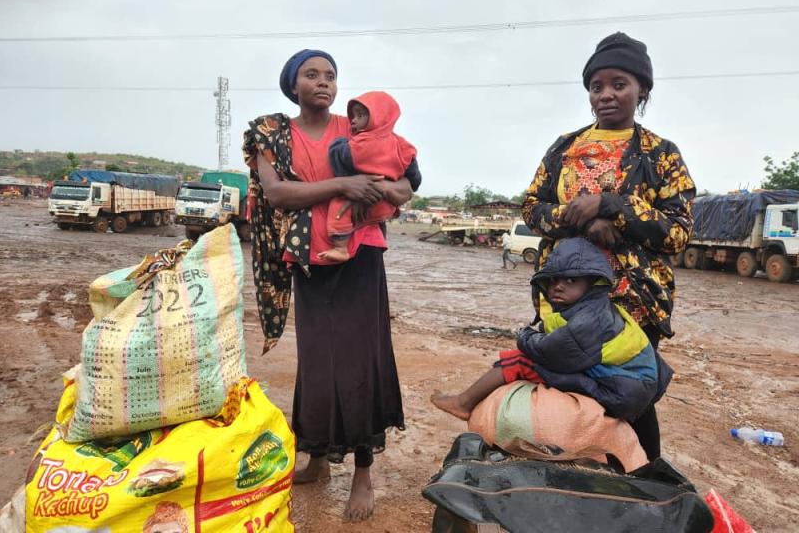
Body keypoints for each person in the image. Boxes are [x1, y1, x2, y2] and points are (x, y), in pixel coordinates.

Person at [242, 49, 420, 522]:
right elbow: (277, 193)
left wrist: (377, 188)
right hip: (309, 259)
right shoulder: (273, 134)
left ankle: (363, 473)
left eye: (330, 75)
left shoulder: (357, 127)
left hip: (360, 256)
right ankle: (317, 456)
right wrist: (344, 185)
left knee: (361, 359)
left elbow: (404, 187)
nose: (323, 82)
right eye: (311, 74)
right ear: (292, 83)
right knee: (317, 361)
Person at [522, 32, 696, 460]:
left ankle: (647, 490)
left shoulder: (661, 155)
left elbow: (678, 231)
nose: (606, 95)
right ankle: (573, 483)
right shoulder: (565, 147)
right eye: (596, 87)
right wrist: (578, 218)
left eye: (619, 84)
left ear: (642, 91)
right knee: (565, 387)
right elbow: (531, 208)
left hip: (632, 299)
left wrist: (612, 205)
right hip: (564, 298)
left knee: (630, 397)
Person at [431, 237, 671, 423]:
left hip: (620, 392)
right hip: (627, 385)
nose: (558, 286)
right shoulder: (592, 308)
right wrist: (541, 330)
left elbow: (550, 352)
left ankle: (463, 404)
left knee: (520, 361)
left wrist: (524, 335)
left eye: (570, 280)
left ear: (593, 282)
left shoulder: (590, 319)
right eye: (554, 280)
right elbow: (556, 328)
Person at [318, 91, 418, 263]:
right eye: (353, 116)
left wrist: (339, 143)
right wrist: (387, 183)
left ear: (377, 117)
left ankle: (341, 248)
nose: (354, 120)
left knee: (338, 206)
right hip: (385, 206)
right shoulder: (403, 146)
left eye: (361, 115)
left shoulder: (359, 144)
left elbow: (339, 159)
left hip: (354, 211)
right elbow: (414, 180)